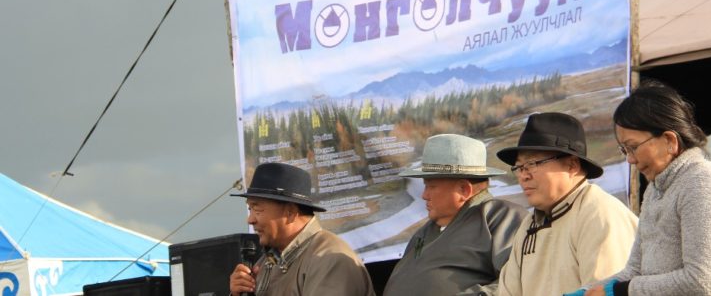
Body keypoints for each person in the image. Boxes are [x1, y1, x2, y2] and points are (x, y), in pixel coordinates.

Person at [579, 81, 711, 296]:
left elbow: (701, 282)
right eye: (624, 150)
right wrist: (584, 292)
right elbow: (634, 270)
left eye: (633, 147)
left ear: (670, 140)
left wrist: (619, 291)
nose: (630, 159)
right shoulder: (655, 190)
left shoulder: (704, 183)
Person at [495, 112, 637, 296]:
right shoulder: (529, 224)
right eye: (519, 167)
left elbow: (601, 292)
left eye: (532, 163)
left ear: (572, 165)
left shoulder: (600, 213)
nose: (523, 175)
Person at [383, 134, 525, 296]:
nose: (424, 195)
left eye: (431, 186)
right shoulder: (425, 232)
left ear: (463, 190)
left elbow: (518, 279)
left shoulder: (499, 217)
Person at [228, 162, 374, 296]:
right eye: (250, 209)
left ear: (290, 212)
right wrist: (237, 294)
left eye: (257, 209)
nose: (250, 220)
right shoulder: (266, 262)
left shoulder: (329, 259)